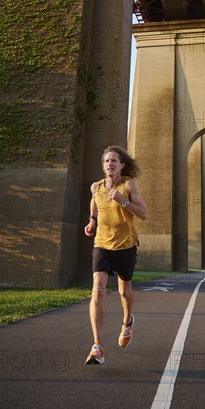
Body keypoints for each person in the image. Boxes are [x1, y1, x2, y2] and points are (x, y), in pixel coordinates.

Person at [84, 145, 147, 365]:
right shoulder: (96, 187)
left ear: (121, 165)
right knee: (98, 289)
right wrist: (92, 220)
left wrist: (123, 201)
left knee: (124, 290)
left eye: (113, 161)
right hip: (102, 245)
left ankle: (127, 320)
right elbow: (94, 203)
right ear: (103, 166)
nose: (109, 164)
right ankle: (98, 346)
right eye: (106, 161)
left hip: (126, 246)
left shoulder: (129, 184)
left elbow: (144, 214)